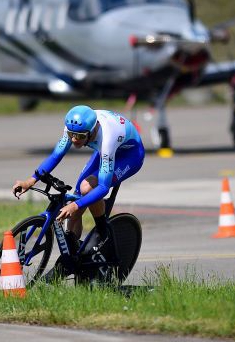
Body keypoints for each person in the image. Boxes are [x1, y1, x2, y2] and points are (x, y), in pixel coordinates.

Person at [13, 104, 145, 253]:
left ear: (91, 131)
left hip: (129, 155)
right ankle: (72, 257)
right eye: (71, 135)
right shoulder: (74, 127)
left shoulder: (107, 138)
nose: (75, 140)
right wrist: (30, 181)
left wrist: (75, 205)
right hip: (104, 150)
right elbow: (56, 155)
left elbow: (103, 187)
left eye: (80, 137)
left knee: (86, 189)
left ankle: (103, 233)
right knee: (75, 206)